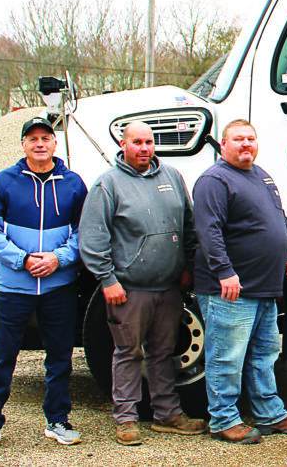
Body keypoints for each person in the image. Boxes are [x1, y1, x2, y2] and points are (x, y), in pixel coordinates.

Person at [78, 122, 207, 445]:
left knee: (163, 353)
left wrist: (188, 265)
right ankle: (126, 418)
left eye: (149, 142)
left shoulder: (172, 177)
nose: (145, 148)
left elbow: (188, 225)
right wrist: (107, 279)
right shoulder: (108, 184)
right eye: (137, 142)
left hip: (169, 288)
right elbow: (93, 238)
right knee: (128, 353)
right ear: (123, 145)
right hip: (129, 290)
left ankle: (167, 414)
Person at [0, 117, 88, 452]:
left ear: (54, 143)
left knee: (60, 356)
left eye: (46, 138)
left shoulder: (73, 183)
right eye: (32, 138)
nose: (39, 143)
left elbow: (83, 233)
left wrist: (58, 259)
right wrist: (21, 259)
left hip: (57, 286)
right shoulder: (4, 181)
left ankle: (57, 420)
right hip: (13, 288)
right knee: (2, 355)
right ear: (23, 144)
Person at [192, 119, 287, 444]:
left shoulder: (261, 175)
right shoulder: (214, 180)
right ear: (223, 144)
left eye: (251, 139)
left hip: (264, 287)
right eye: (238, 139)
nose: (246, 144)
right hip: (230, 289)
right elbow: (208, 230)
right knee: (226, 357)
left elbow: (279, 217)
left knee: (264, 354)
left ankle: (270, 414)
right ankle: (223, 419)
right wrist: (224, 272)